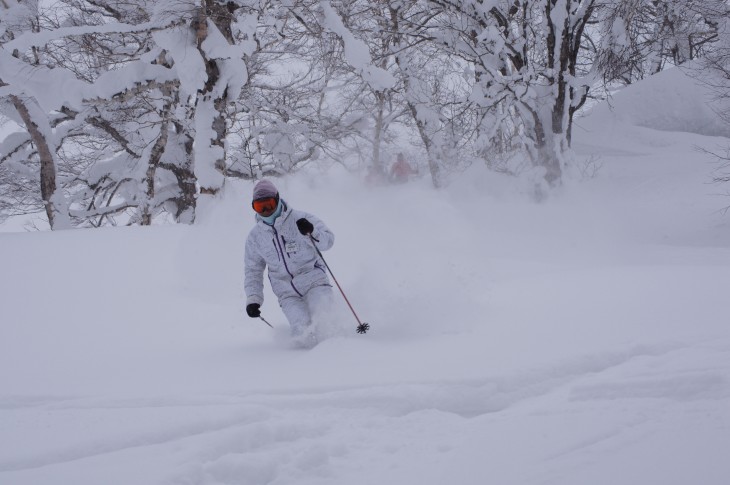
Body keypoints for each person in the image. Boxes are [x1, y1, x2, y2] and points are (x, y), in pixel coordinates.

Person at [244, 180, 335, 348]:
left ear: (278, 200)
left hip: (315, 282)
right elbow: (253, 270)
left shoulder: (301, 219)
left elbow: (328, 242)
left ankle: (340, 354)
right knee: (302, 331)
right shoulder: (255, 237)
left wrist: (312, 231)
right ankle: (305, 366)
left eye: (269, 205)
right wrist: (253, 298)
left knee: (325, 324)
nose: (266, 211)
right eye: (260, 207)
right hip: (287, 294)